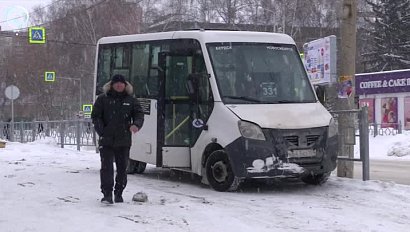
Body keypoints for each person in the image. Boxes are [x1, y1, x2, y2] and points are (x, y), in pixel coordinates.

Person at [91, 74, 144, 204]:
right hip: (106, 140)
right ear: (112, 85)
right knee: (106, 168)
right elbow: (96, 116)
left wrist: (136, 124)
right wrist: (102, 131)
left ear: (125, 85)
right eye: (116, 83)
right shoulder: (103, 99)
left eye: (121, 83)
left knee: (122, 168)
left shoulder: (131, 100)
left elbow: (139, 114)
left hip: (123, 140)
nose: (119, 85)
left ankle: (119, 192)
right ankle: (107, 194)